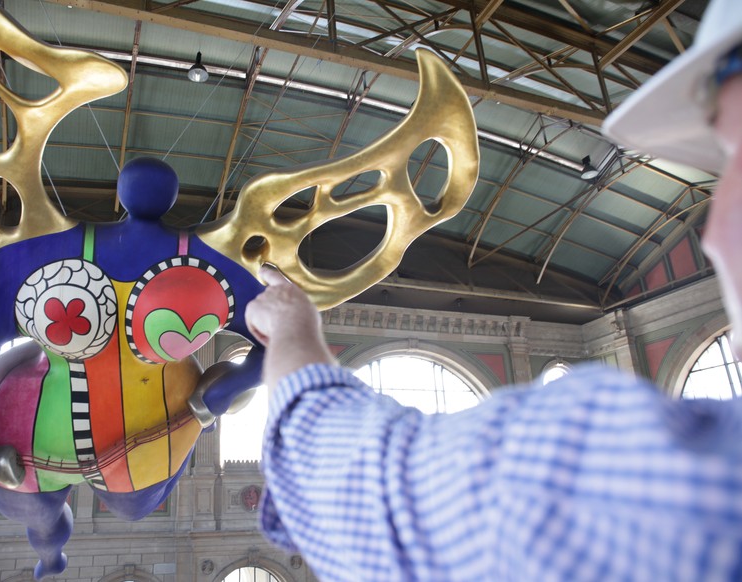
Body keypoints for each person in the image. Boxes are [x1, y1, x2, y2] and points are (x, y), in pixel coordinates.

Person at [243, 0, 742, 580]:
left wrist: (293, 331)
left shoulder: (695, 483)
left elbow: (378, 500)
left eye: (735, 161)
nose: (710, 233)